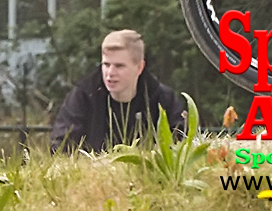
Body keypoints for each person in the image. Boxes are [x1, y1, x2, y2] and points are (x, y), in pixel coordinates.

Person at [51, 29, 187, 152]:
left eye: (119, 66)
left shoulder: (162, 100)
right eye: (106, 64)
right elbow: (61, 148)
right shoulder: (83, 96)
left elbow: (183, 146)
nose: (110, 73)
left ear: (139, 67)